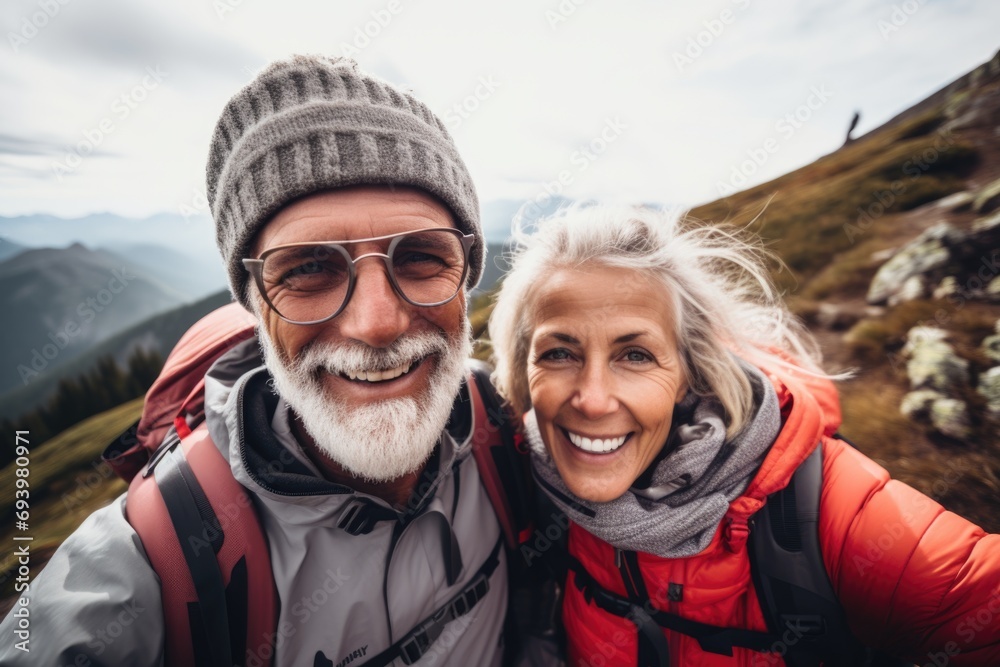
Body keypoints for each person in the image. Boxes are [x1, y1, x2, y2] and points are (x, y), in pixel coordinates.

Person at [0, 55, 532, 666]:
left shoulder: (508, 427)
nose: (377, 323)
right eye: (309, 268)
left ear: (467, 278)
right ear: (254, 302)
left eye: (419, 256)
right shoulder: (155, 561)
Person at [488, 204, 1000, 666]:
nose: (593, 399)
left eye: (635, 355)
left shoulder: (832, 513)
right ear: (522, 371)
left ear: (690, 371)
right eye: (559, 353)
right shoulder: (527, 474)